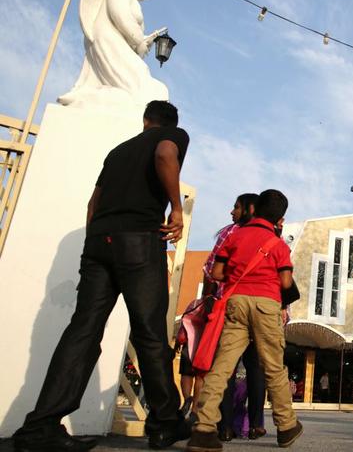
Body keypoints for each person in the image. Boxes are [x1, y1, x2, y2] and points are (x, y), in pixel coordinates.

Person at [13, 100, 189, 452]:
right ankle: (165, 424)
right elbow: (165, 154)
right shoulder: (174, 135)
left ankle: (40, 427)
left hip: (98, 242)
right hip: (138, 241)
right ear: (168, 123)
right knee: (150, 334)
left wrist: (93, 248)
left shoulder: (118, 151)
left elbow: (92, 205)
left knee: (83, 330)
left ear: (145, 120)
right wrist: (176, 207)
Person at [186, 189, 303, 451]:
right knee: (273, 366)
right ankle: (286, 426)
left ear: (255, 208)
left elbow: (217, 272)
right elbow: (285, 282)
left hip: (236, 302)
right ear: (280, 218)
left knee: (222, 366)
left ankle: (203, 428)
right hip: (267, 304)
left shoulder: (234, 236)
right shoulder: (279, 245)